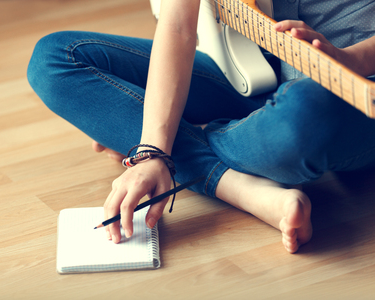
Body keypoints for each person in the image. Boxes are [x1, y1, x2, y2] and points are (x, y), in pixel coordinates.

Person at [27, 0, 375, 253]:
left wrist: (351, 58)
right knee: (54, 58)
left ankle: (158, 132)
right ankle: (239, 188)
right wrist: (151, 150)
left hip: (352, 91)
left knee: (305, 117)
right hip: (258, 72)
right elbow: (178, 24)